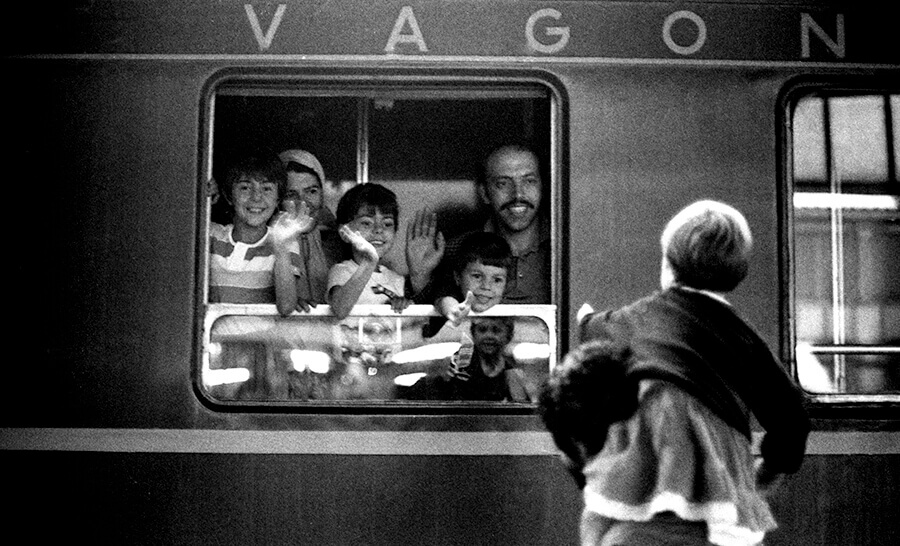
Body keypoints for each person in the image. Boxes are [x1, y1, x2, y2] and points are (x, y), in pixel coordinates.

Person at [542, 200, 810, 546]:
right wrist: (761, 477)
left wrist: (586, 319)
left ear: (668, 267)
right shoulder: (743, 338)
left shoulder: (637, 318)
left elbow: (594, 329)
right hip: (722, 494)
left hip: (637, 480)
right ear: (737, 273)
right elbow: (792, 418)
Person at [406, 143, 551, 306]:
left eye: (529, 181)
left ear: (543, 187)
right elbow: (432, 326)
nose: (517, 193)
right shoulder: (456, 249)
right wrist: (420, 277)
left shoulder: (566, 250)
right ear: (485, 193)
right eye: (503, 183)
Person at [208, 153, 309, 317]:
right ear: (228, 195)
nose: (256, 197)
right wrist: (202, 197)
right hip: (212, 342)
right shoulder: (212, 235)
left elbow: (286, 306)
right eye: (245, 188)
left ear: (278, 199)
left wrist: (280, 246)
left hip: (259, 341)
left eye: (267, 188)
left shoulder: (286, 243)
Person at [401, 316, 537, 402]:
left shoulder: (514, 375)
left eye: (496, 330)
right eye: (482, 330)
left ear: (508, 336)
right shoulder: (454, 365)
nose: (488, 336)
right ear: (473, 334)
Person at [327, 183, 410, 320]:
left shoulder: (397, 279)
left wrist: (403, 305)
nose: (378, 229)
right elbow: (340, 309)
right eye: (366, 223)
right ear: (344, 233)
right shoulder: (342, 271)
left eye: (387, 224)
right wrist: (369, 261)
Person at [278, 149, 344, 311]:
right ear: (277, 199)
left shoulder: (341, 241)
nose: (303, 203)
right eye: (290, 194)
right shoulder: (267, 240)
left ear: (322, 195)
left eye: (312, 191)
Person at [421, 231, 512, 337]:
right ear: (458, 277)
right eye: (477, 276)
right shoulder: (452, 294)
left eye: (497, 280)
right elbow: (444, 301)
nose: (486, 286)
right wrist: (454, 311)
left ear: (507, 283)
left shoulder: (510, 307)